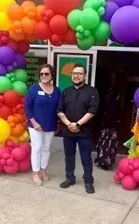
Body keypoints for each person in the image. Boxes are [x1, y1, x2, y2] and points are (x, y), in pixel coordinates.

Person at [57, 64, 100, 194]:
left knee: (86, 157)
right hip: (68, 131)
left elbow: (92, 111)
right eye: (74, 73)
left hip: (84, 132)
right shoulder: (65, 92)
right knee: (69, 157)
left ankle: (88, 181)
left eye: (80, 73)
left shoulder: (92, 91)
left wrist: (78, 125)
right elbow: (59, 110)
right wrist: (69, 124)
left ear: (85, 76)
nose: (76, 76)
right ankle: (70, 178)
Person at [25, 64, 61, 186]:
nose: (44, 76)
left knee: (47, 148)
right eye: (42, 74)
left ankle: (43, 170)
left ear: (51, 75)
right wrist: (34, 123)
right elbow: (27, 107)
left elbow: (58, 109)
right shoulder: (33, 89)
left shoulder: (57, 91)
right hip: (36, 125)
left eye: (47, 74)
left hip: (51, 124)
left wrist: (58, 124)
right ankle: (35, 172)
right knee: (37, 147)